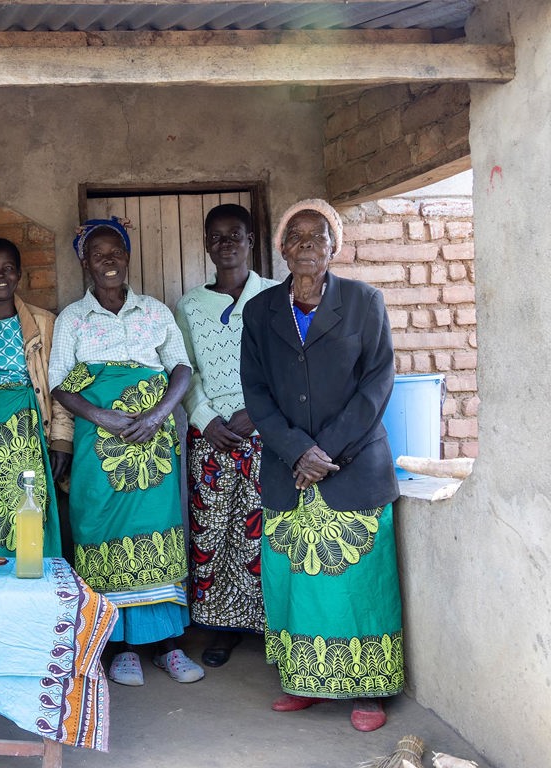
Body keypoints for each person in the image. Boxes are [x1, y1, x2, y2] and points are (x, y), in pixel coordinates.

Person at [240, 198, 403, 732]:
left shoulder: (363, 302)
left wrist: (324, 451)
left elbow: (376, 384)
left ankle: (368, 690)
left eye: (318, 236)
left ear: (335, 247)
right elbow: (257, 392)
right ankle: (303, 683)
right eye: (296, 237)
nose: (307, 244)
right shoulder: (261, 311)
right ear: (282, 250)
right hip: (289, 470)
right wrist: (295, 450)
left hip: (352, 467)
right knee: (296, 586)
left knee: (357, 583)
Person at [49, 216, 202, 687]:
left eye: (116, 251)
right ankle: (120, 649)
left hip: (152, 441)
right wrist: (105, 418)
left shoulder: (155, 311)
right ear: (85, 262)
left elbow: (181, 367)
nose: (109, 260)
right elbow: (59, 384)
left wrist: (157, 415)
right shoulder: (73, 318)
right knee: (100, 528)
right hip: (102, 445)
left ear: (128, 256)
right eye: (99, 254)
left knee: (158, 529)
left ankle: (168, 646)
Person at [174, 204, 278, 667]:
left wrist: (255, 414)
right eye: (216, 237)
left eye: (234, 235)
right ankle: (222, 627)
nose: (225, 244)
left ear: (251, 240)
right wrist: (205, 420)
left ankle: (269, 624)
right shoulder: (190, 305)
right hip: (212, 437)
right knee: (213, 531)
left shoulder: (277, 296)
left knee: (263, 531)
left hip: (267, 434)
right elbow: (185, 371)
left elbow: (287, 370)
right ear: (206, 244)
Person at [0, 238, 70, 557]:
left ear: (20, 274)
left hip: (26, 430)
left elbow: (61, 383)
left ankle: (27, 593)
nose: (0, 274)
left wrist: (61, 440)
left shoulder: (43, 322)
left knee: (25, 506)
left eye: (8, 268)